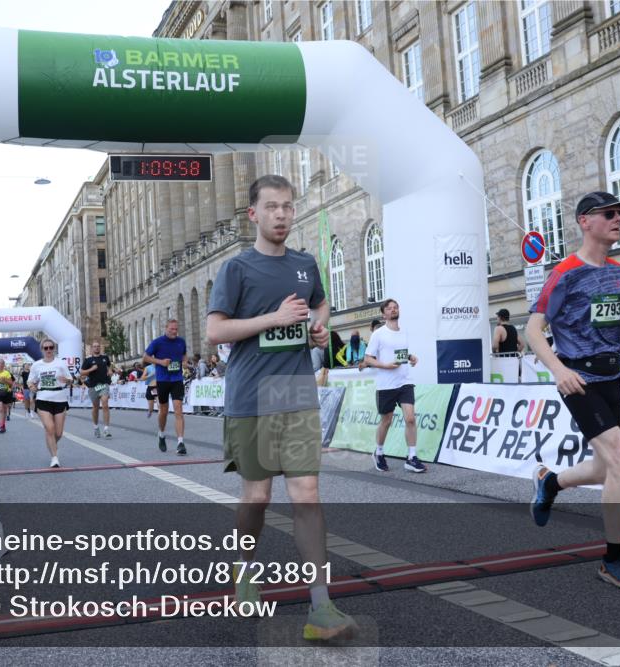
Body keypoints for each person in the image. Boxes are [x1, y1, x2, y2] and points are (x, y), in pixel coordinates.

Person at [206, 174, 357, 641]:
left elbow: (321, 305)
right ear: (253, 214)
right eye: (271, 207)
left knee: (307, 495)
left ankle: (321, 606)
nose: (281, 215)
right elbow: (215, 332)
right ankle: (245, 571)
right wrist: (274, 318)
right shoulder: (238, 269)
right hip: (251, 394)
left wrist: (316, 326)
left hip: (295, 392)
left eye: (288, 207)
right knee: (257, 497)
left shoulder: (305, 264)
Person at [526, 191, 620, 592]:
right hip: (579, 380)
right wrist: (558, 370)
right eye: (609, 214)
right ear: (584, 222)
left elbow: (619, 319)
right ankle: (612, 558)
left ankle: (550, 482)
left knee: (604, 467)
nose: (618, 219)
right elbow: (533, 329)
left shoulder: (616, 271)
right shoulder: (565, 272)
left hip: (611, 377)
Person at [363, 298, 428, 474]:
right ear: (384, 314)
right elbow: (367, 359)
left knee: (410, 418)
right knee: (387, 420)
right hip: (386, 384)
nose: (393, 310)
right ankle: (379, 452)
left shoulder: (404, 331)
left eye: (395, 307)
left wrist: (410, 357)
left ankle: (412, 457)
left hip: (404, 381)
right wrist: (385, 366)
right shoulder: (378, 334)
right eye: (390, 308)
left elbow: (400, 354)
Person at [144, 319, 189, 455]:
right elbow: (145, 357)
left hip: (177, 379)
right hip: (163, 380)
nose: (174, 332)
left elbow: (184, 354)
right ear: (166, 328)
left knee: (178, 410)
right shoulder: (158, 342)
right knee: (163, 411)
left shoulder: (181, 341)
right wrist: (160, 362)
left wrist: (185, 362)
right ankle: (161, 434)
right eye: (172, 329)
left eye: (176, 329)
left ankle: (180, 442)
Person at [27, 338, 73, 468]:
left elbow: (70, 379)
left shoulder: (61, 364)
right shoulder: (37, 365)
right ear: (42, 350)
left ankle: (51, 442)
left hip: (60, 398)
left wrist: (67, 380)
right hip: (43, 398)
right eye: (45, 348)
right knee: (50, 428)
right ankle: (54, 457)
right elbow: (30, 381)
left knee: (58, 433)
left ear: (54, 349)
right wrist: (31, 387)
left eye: (51, 347)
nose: (48, 350)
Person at [80, 340, 113, 439]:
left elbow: (108, 366)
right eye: (95, 346)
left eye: (98, 346)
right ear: (92, 348)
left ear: (100, 347)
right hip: (93, 386)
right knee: (95, 408)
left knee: (105, 404)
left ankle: (106, 429)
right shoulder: (88, 360)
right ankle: (96, 427)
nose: (97, 348)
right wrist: (91, 369)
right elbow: (82, 372)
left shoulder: (105, 358)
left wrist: (110, 370)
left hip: (104, 384)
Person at [0, 358, 15, 434]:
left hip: (6, 393)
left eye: (2, 363)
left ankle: (3, 425)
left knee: (4, 410)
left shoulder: (7, 373)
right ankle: (1, 426)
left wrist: (5, 380)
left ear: (4, 365)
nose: (0, 365)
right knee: (0, 408)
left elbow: (11, 383)